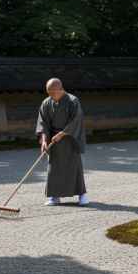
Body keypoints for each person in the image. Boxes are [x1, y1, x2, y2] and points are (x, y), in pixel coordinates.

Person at [35, 78, 89, 206]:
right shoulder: (46, 103)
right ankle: (54, 196)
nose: (51, 96)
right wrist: (43, 141)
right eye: (49, 93)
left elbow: (77, 120)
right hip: (53, 140)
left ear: (61, 89)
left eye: (53, 93)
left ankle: (82, 195)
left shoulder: (72, 101)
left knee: (74, 167)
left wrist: (63, 133)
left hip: (70, 139)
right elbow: (43, 123)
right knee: (53, 169)